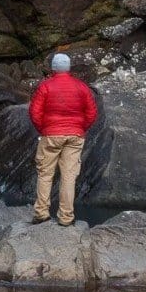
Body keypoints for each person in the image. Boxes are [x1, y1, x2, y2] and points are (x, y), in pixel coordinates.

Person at [28, 53, 97, 226]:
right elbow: (91, 113)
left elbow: (35, 112)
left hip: (51, 134)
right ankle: (66, 217)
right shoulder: (81, 87)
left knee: (45, 174)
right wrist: (80, 129)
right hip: (75, 135)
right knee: (69, 176)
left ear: (53, 68)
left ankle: (42, 213)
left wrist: (44, 129)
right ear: (69, 68)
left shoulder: (45, 86)